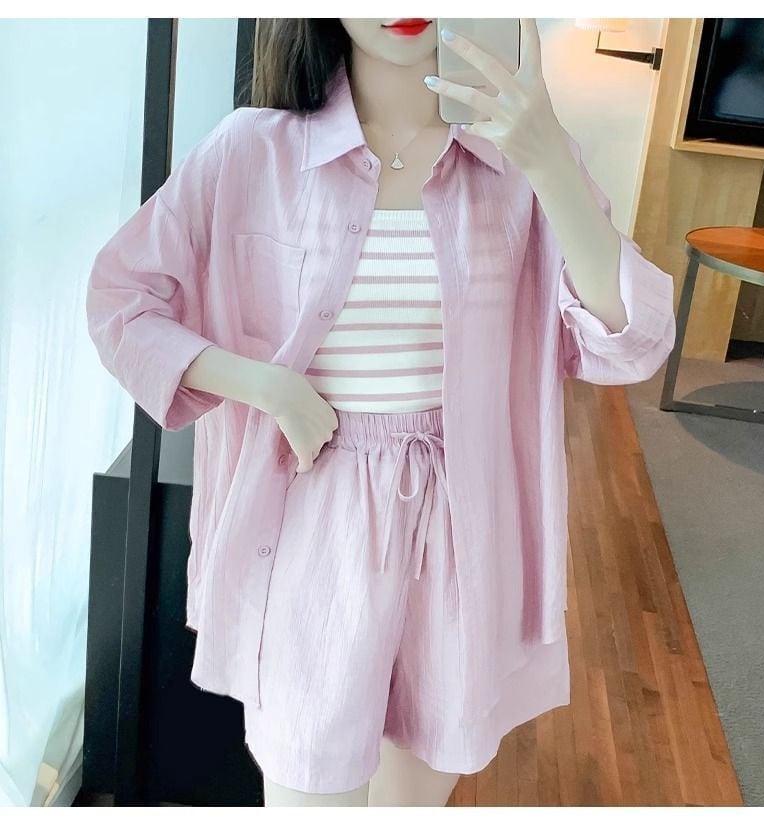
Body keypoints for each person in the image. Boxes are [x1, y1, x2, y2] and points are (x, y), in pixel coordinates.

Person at [85, 18, 676, 807]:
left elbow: (631, 341)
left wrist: (548, 162)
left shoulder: (516, 164)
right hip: (310, 536)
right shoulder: (253, 152)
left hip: (461, 541)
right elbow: (121, 302)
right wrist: (266, 386)